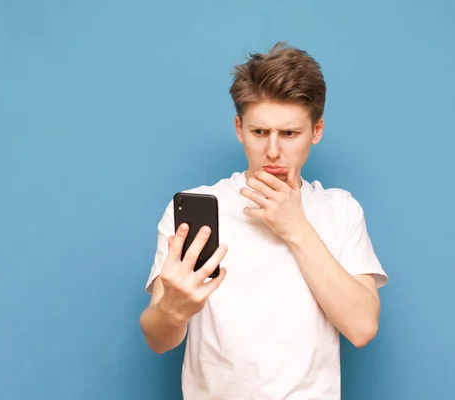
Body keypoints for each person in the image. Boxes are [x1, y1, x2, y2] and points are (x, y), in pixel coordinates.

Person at [139, 41, 388, 399]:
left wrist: (296, 228)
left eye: (289, 133)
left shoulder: (340, 210)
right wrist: (173, 311)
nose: (273, 150)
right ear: (239, 128)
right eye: (259, 132)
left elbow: (362, 327)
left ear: (316, 131)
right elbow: (156, 338)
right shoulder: (202, 209)